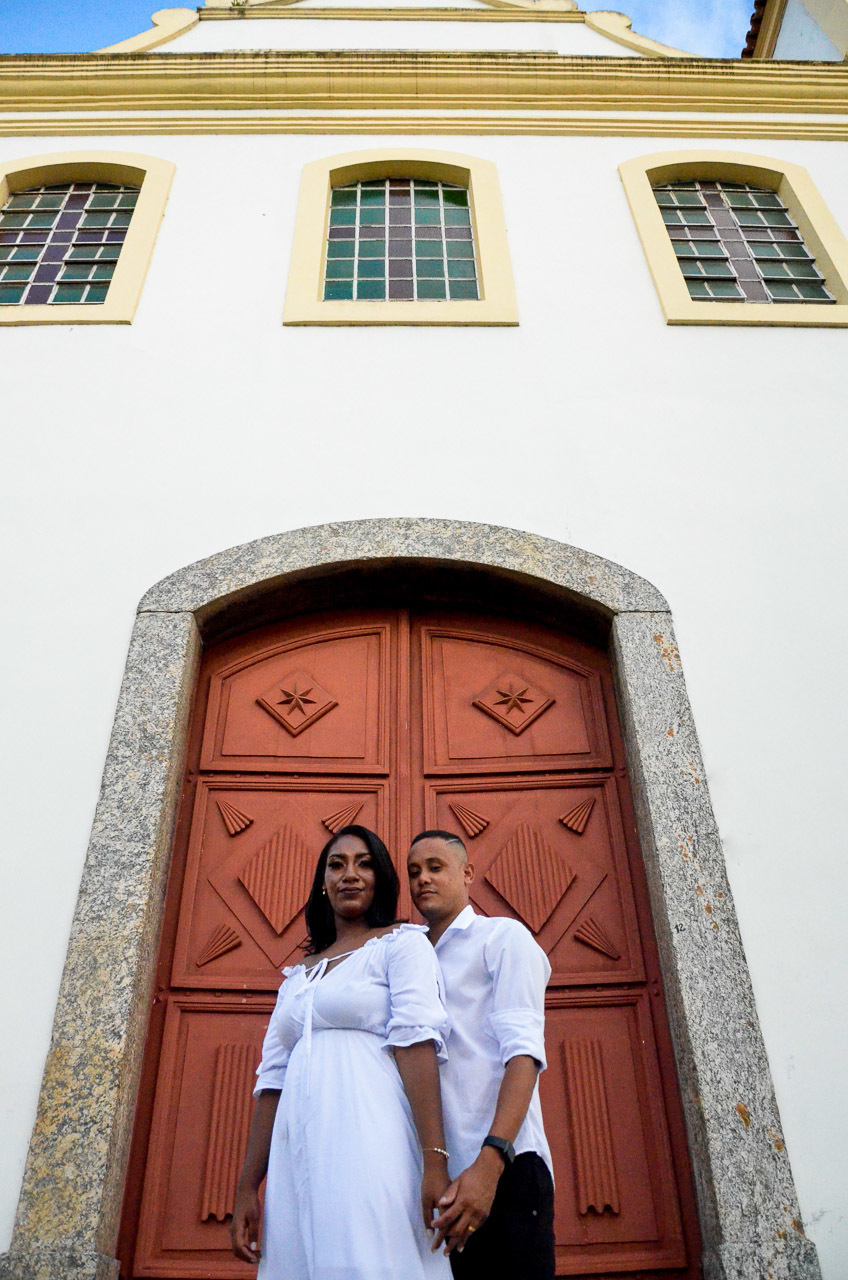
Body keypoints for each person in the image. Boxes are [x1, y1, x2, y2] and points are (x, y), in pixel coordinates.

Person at [230, 825, 452, 1280]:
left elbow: (416, 1045)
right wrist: (248, 1187)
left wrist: (435, 1161)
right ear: (322, 883)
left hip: (372, 1139)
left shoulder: (401, 945)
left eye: (364, 863)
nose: (350, 874)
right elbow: (272, 1081)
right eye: (337, 865)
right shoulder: (297, 976)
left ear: (382, 879)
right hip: (299, 1153)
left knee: (369, 1257)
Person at [406, 830, 555, 1280]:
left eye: (435, 867)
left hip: (503, 1170)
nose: (422, 880)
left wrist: (489, 1166)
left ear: (467, 873)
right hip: (434, 1182)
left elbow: (524, 1053)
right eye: (414, 872)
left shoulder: (502, 938)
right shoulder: (406, 955)